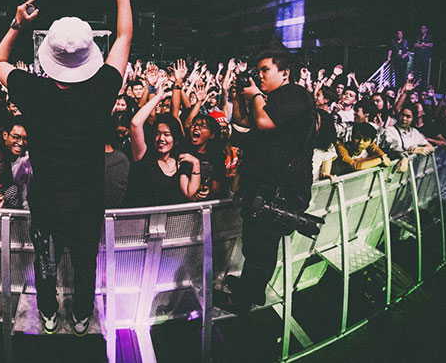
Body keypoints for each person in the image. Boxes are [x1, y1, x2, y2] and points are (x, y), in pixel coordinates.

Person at [0, 0, 135, 336]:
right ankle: (83, 314)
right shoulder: (102, 89)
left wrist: (17, 24)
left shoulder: (32, 91)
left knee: (45, 263)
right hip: (88, 204)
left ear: (49, 56)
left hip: (46, 204)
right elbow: (124, 37)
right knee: (86, 265)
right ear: (89, 55)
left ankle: (49, 314)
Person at [223, 48, 316, 314]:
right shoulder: (271, 99)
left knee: (261, 249)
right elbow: (242, 125)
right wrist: (239, 97)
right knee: (254, 246)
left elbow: (264, 123)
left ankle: (244, 300)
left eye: (265, 70)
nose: (260, 75)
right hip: (264, 189)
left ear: (285, 73)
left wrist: (254, 95)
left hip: (278, 193)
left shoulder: (294, 94)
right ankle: (247, 287)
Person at [126, 88, 201, 207]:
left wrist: (196, 163)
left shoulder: (179, 162)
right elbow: (135, 124)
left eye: (167, 134)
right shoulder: (144, 156)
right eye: (157, 134)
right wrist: (158, 95)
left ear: (175, 138)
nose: (161, 138)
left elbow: (191, 195)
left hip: (173, 219)